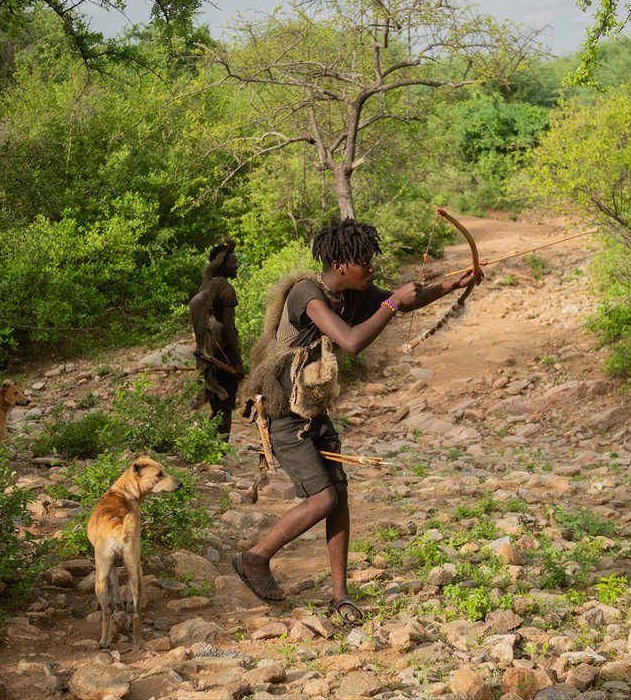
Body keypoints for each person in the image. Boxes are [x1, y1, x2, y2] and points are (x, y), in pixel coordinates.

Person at [233, 218, 480, 624]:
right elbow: (352, 341)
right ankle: (254, 558)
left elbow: (405, 301)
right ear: (340, 263)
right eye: (364, 261)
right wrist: (393, 303)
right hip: (282, 414)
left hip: (313, 410)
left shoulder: (350, 293)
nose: (371, 269)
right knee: (323, 498)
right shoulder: (308, 295)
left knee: (339, 497)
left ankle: (339, 594)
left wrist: (453, 284)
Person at [188, 240, 245, 438]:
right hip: (224, 356)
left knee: (216, 405)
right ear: (222, 265)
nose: (237, 265)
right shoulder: (226, 290)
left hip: (207, 355)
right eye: (232, 263)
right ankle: (218, 451)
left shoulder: (205, 286)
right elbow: (228, 329)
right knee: (224, 407)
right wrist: (237, 362)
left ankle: (211, 448)